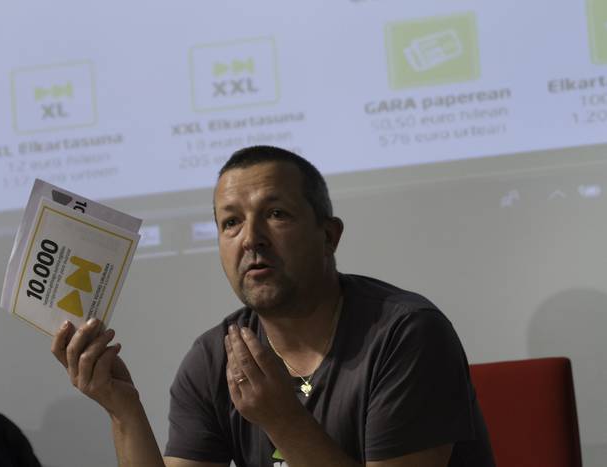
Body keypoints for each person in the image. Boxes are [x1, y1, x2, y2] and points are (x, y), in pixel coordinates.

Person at [51, 146, 495, 467]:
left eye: (276, 214)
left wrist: (282, 419)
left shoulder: (406, 334)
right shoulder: (213, 357)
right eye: (231, 222)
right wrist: (123, 410)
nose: (251, 239)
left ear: (329, 235)